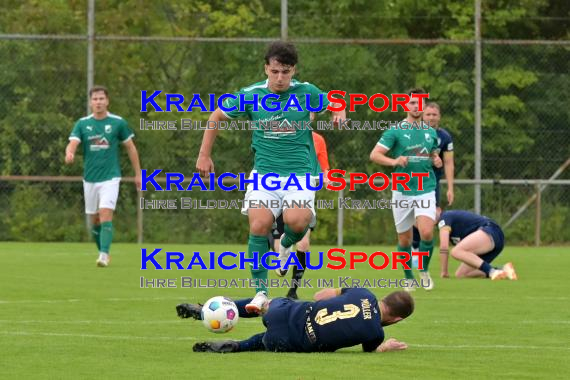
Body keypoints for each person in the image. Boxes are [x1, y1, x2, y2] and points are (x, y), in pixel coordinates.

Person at [195, 42, 345, 300]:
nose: (279, 77)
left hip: (300, 175)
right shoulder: (251, 94)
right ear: (266, 68)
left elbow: (335, 101)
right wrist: (204, 155)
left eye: (285, 72)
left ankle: (285, 245)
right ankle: (260, 293)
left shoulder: (306, 92)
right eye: (275, 71)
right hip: (265, 176)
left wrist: (338, 113)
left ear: (293, 71)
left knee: (297, 222)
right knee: (259, 225)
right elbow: (215, 117)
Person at [178, 288, 413, 354]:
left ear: (384, 298)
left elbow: (320, 295)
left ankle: (203, 311)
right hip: (292, 339)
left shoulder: (364, 294)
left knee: (267, 304)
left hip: (286, 312)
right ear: (397, 319)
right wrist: (386, 347)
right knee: (264, 341)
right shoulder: (375, 333)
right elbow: (371, 349)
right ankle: (238, 345)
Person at [369, 87, 441, 291]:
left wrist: (436, 159)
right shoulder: (395, 131)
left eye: (420, 103)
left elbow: (433, 153)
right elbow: (374, 155)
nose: (416, 107)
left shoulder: (430, 132)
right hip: (401, 190)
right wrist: (394, 161)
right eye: (412, 103)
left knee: (427, 232)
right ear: (405, 105)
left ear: (424, 106)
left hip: (425, 187)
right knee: (404, 239)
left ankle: (424, 271)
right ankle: (409, 277)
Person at [65, 86, 142, 267]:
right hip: (90, 179)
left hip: (111, 177)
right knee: (94, 221)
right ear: (90, 102)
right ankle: (102, 250)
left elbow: (130, 147)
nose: (98, 102)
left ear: (107, 101)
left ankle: (104, 255)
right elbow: (73, 143)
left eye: (101, 99)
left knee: (105, 214)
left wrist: (138, 173)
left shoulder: (118, 123)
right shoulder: (82, 124)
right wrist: (69, 153)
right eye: (95, 99)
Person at [270, 131, 331, 299]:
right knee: (278, 246)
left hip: (304, 196)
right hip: (280, 194)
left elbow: (324, 166)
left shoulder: (318, 139)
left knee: (303, 244)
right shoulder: (280, 133)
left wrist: (326, 177)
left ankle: (293, 290)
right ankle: (281, 252)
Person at [412, 102, 454, 254]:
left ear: (439, 117)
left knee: (433, 217)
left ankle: (416, 246)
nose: (431, 117)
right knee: (414, 215)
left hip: (432, 183)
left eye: (434, 114)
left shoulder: (445, 137)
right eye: (428, 114)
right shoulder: (415, 133)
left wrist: (450, 188)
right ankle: (415, 247)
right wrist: (431, 159)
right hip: (413, 180)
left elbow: (449, 163)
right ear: (422, 116)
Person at [438, 210, 517, 280]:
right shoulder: (444, 224)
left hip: (491, 230)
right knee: (461, 274)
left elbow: (444, 246)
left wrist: (444, 272)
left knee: (456, 251)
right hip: (494, 240)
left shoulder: (444, 217)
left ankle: (492, 272)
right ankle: (503, 270)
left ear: (438, 209)